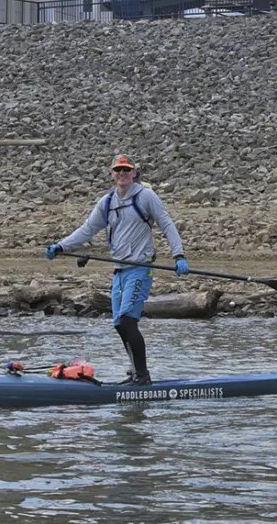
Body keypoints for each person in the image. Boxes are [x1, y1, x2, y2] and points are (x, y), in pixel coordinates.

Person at [45, 153, 190, 385]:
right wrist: (61, 245)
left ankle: (142, 376)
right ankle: (135, 372)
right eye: (117, 170)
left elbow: (166, 223)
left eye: (126, 169)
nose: (122, 173)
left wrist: (179, 255)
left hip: (141, 268)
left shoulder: (146, 196)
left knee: (127, 321)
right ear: (112, 174)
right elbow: (87, 230)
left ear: (134, 173)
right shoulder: (107, 202)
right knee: (119, 325)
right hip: (120, 270)